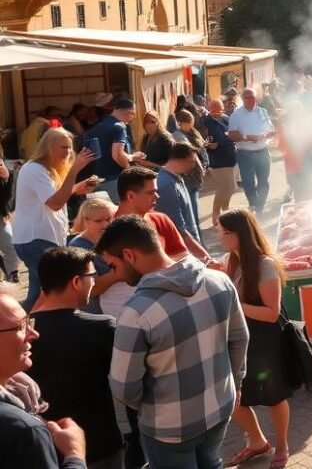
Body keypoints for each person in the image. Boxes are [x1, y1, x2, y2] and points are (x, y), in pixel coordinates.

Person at [97, 216, 247, 469]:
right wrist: (234, 383)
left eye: (113, 265)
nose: (116, 275)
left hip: (168, 428)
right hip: (219, 408)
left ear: (129, 255)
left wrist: (155, 407)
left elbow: (124, 387)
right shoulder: (219, 281)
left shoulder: (135, 312)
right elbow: (240, 339)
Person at [26, 247, 122, 469]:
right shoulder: (103, 327)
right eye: (92, 276)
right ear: (77, 281)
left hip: (46, 445)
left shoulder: (21, 332)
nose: (94, 282)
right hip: (99, 443)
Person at [214, 210, 293, 469]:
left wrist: (233, 302)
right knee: (233, 396)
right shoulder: (232, 260)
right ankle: (258, 442)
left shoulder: (264, 264)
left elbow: (271, 313)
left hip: (263, 341)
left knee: (273, 396)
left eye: (225, 232)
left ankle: (282, 445)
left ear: (241, 235)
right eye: (219, 230)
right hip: (239, 339)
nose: (219, 236)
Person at [0, 282, 89, 469]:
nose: (34, 334)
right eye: (20, 327)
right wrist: (74, 455)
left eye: (28, 322)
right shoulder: (23, 431)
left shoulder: (22, 394)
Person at [13, 129, 97, 309]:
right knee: (44, 292)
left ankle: (25, 325)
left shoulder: (46, 169)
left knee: (41, 291)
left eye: (70, 148)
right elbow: (55, 203)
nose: (68, 152)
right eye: (64, 147)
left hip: (41, 239)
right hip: (36, 239)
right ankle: (20, 325)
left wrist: (75, 188)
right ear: (48, 148)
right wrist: (74, 170)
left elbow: (51, 197)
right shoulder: (36, 169)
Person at [68, 197, 129, 317]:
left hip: (123, 307)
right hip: (99, 314)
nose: (105, 224)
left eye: (108, 219)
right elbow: (90, 289)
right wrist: (116, 274)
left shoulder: (114, 237)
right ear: (86, 221)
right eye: (98, 221)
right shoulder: (78, 247)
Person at [83, 99, 145, 203]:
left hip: (94, 181)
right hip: (113, 180)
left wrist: (132, 157)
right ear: (127, 112)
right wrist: (129, 170)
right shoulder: (119, 127)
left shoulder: (95, 128)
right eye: (133, 114)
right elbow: (117, 155)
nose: (133, 118)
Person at [226, 89, 275, 214]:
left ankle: (259, 208)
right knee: (248, 183)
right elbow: (232, 135)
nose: (251, 100)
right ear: (242, 99)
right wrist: (248, 137)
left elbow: (271, 130)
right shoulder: (236, 115)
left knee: (264, 182)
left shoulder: (262, 111)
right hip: (245, 154)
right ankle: (254, 205)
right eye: (247, 98)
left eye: (252, 97)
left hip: (263, 151)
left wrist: (266, 134)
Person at [200, 99, 238, 227]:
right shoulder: (205, 121)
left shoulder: (226, 118)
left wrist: (225, 141)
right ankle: (216, 215)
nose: (217, 114)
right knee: (223, 188)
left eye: (219, 111)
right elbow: (203, 140)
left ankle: (225, 211)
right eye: (214, 111)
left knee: (230, 187)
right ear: (210, 110)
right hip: (217, 160)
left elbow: (232, 134)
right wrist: (209, 144)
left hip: (230, 157)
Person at [153, 144, 200, 242]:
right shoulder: (167, 184)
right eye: (191, 162)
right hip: (185, 245)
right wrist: (198, 249)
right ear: (180, 160)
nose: (193, 166)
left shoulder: (176, 178)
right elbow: (178, 225)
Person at [169, 110, 208, 227]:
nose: (191, 124)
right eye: (188, 122)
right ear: (180, 123)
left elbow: (201, 150)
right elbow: (190, 151)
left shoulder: (193, 133)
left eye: (191, 121)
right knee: (191, 210)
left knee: (193, 208)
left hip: (196, 176)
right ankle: (195, 238)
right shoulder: (177, 136)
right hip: (188, 176)